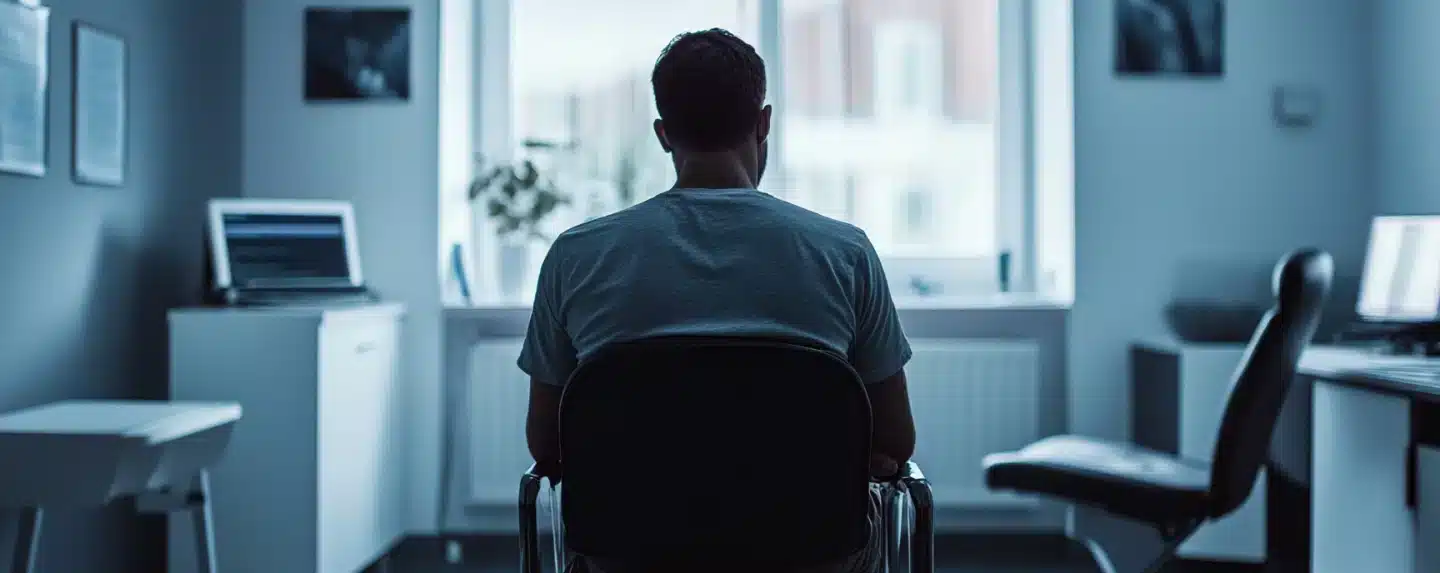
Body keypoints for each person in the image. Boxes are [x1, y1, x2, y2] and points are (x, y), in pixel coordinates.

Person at [517, 28, 916, 573]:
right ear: (763, 122)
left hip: (633, 554)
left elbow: (547, 446)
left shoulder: (576, 255)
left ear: (663, 134)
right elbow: (895, 442)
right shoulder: (844, 253)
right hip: (807, 554)